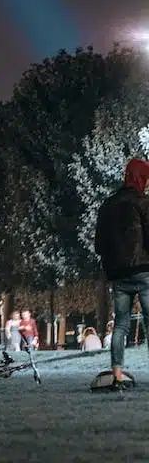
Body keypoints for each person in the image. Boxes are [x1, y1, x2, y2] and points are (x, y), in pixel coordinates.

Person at [96, 159, 149, 386]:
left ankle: (116, 375)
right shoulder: (142, 202)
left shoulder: (107, 205)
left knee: (120, 326)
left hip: (118, 274)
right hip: (144, 271)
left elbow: (99, 244)